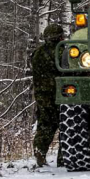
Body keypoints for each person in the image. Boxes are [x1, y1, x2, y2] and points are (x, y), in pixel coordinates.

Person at [32, 24, 64, 167]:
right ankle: (63, 158)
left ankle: (40, 151)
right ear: (59, 36)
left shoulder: (37, 53)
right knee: (66, 125)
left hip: (42, 95)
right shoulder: (63, 51)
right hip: (61, 93)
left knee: (45, 124)